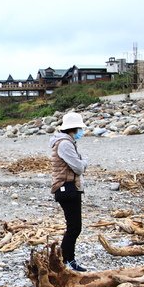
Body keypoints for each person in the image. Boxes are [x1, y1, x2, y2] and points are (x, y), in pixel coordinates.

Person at [49, 111, 89, 272]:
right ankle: (67, 260)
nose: (81, 131)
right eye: (79, 128)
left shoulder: (66, 142)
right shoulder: (65, 144)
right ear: (74, 128)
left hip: (69, 187)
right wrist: (84, 162)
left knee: (73, 226)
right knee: (74, 227)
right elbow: (78, 167)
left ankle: (66, 259)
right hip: (67, 188)